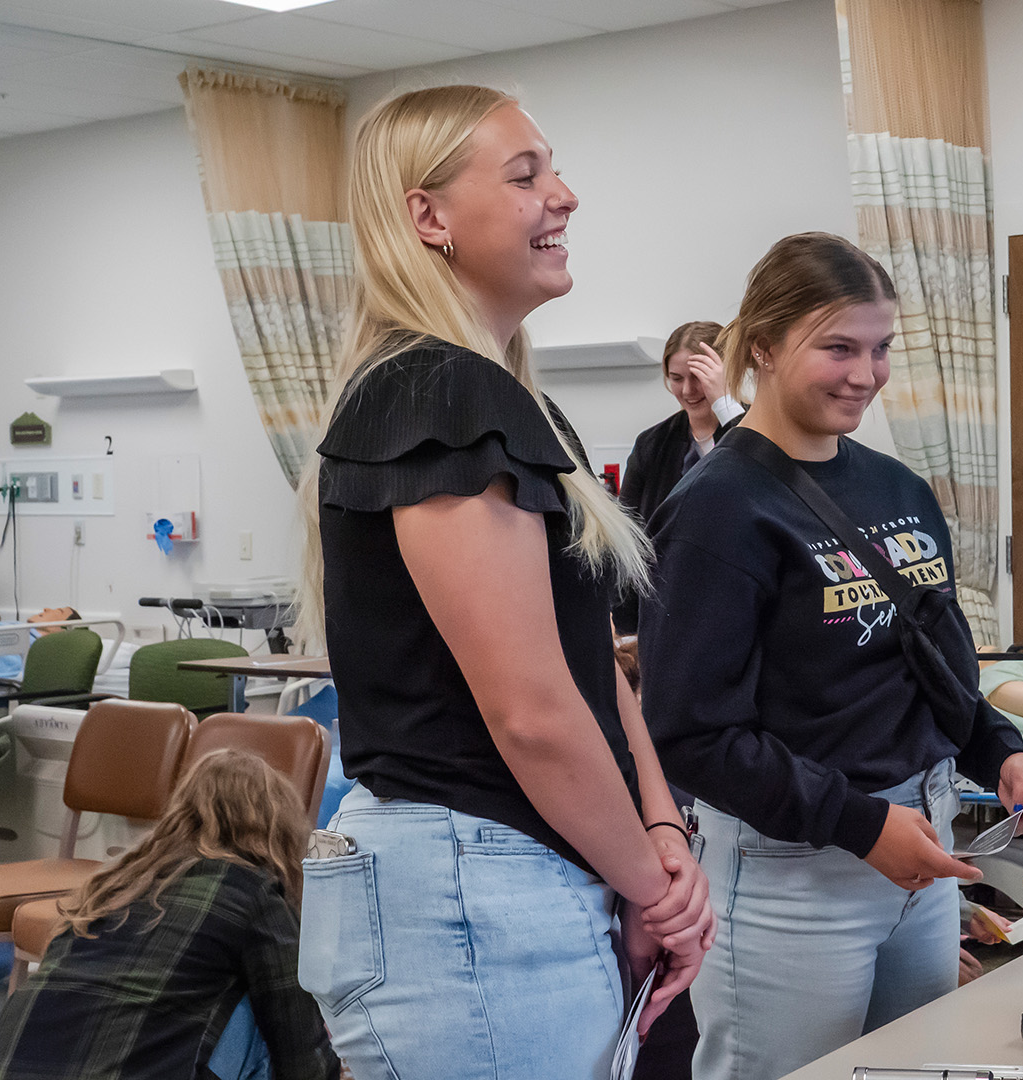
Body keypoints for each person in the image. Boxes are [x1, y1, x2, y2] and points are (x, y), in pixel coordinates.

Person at [295, 85, 711, 1079]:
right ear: (427, 217)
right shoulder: (437, 392)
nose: (563, 196)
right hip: (464, 884)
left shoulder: (515, 405)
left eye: (554, 169)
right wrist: (652, 889)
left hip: (519, 870)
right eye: (525, 176)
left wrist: (658, 830)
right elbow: (527, 709)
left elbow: (586, 667)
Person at [640, 232, 1023, 1080]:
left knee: (921, 1070)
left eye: (880, 349)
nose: (865, 375)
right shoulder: (718, 509)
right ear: (761, 344)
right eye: (837, 347)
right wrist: (860, 825)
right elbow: (689, 733)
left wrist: (998, 750)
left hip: (925, 842)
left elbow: (932, 668)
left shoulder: (897, 490)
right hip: (798, 867)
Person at [0, 750, 338, 1080]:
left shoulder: (112, 886)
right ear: (280, 829)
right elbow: (303, 1054)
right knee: (257, 1006)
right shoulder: (253, 891)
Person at [614, 321, 745, 632]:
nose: (687, 391)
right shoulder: (652, 444)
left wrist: (726, 405)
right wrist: (625, 626)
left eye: (698, 378)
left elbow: (766, 478)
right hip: (668, 604)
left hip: (738, 599)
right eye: (676, 378)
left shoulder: (758, 430)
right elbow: (628, 537)